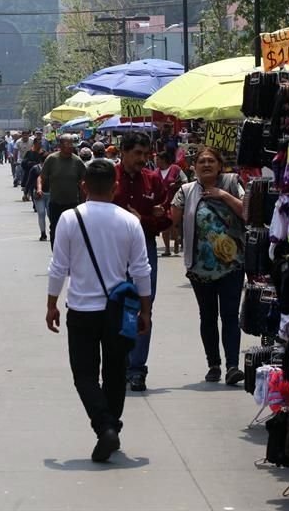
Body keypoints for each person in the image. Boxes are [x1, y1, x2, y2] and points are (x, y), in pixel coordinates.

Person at [46, 159, 152, 463]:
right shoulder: (129, 221)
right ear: (115, 187)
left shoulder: (69, 219)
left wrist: (51, 303)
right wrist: (146, 310)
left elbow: (58, 267)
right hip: (120, 311)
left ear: (83, 186)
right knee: (116, 372)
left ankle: (105, 426)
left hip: (81, 308)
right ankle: (110, 425)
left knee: (84, 375)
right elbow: (141, 271)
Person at [170, 147, 246, 386]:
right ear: (194, 167)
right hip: (199, 268)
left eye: (211, 160)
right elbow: (173, 220)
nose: (206, 164)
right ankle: (213, 364)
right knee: (208, 317)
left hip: (232, 265)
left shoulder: (233, 183)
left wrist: (222, 195)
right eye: (201, 161)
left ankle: (233, 366)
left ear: (219, 165)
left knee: (230, 316)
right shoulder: (186, 191)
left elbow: (246, 211)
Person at [113, 132, 170, 392]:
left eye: (146, 154)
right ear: (123, 152)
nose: (142, 159)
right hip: (113, 251)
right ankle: (121, 363)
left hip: (144, 249)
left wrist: (142, 220)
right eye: (137, 153)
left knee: (143, 306)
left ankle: (137, 369)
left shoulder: (153, 180)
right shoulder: (108, 177)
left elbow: (166, 218)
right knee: (120, 306)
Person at [38, 135, 86, 248]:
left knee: (73, 231)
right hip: (55, 203)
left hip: (73, 203)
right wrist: (39, 189)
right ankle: (56, 255)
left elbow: (84, 181)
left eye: (72, 144)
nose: (70, 146)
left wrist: (85, 199)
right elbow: (41, 177)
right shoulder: (52, 159)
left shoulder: (77, 161)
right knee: (55, 229)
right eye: (67, 144)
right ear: (60, 145)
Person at [155, 151, 187, 257]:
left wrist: (177, 185)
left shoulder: (175, 169)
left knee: (173, 224)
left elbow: (185, 180)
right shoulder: (155, 172)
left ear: (164, 159)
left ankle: (177, 240)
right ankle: (167, 249)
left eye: (158, 159)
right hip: (162, 203)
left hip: (175, 201)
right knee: (164, 225)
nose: (156, 161)